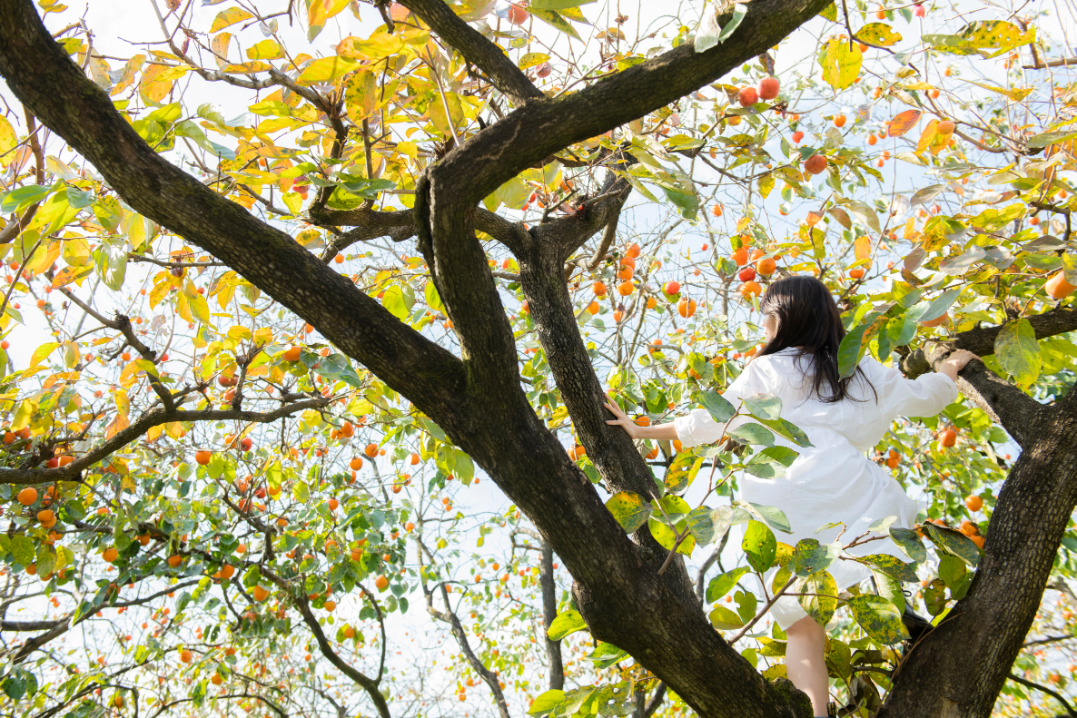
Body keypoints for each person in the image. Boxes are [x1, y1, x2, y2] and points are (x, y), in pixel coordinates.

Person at [603, 275, 976, 717]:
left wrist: (643, 429)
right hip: (843, 479)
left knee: (801, 625)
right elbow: (924, 397)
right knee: (878, 534)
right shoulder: (857, 367)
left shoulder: (769, 369)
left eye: (766, 314)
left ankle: (816, 713)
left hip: (781, 492)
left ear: (781, 316)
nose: (762, 324)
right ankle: (897, 608)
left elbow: (716, 420)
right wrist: (950, 368)